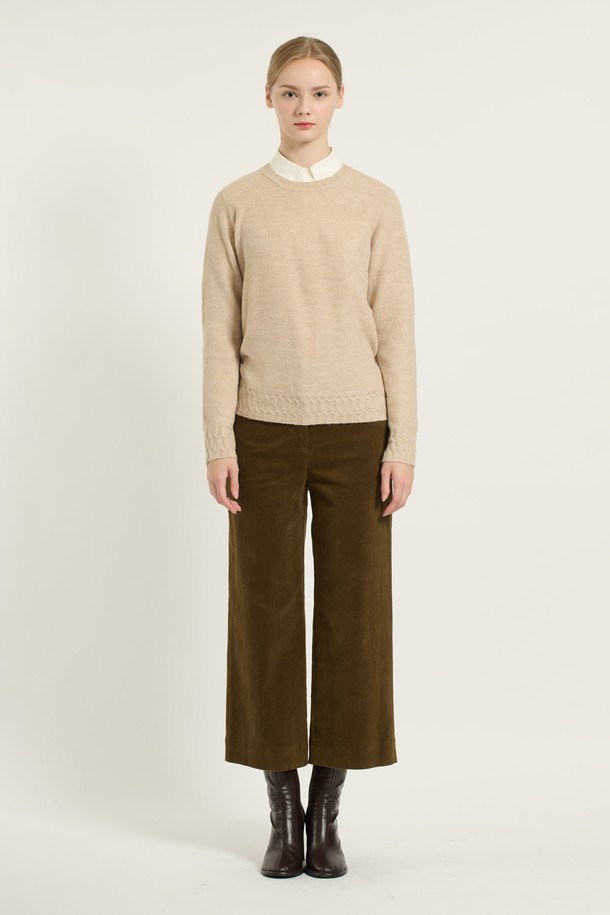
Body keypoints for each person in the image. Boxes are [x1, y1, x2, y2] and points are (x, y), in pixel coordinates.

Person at [201, 35, 418, 879]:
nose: (304, 107)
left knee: (354, 617)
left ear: (339, 100)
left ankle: (326, 810)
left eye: (318, 92)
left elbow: (396, 328)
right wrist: (218, 439)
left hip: (357, 430)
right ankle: (280, 808)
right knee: (264, 614)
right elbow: (219, 330)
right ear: (268, 98)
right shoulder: (236, 204)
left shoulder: (375, 202)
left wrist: (404, 442)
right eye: (289, 92)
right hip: (260, 427)